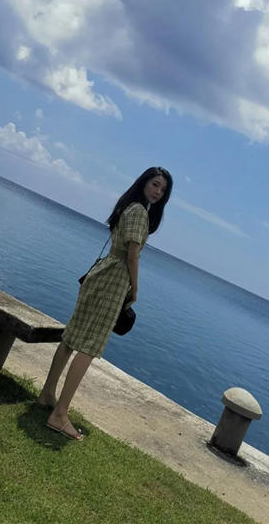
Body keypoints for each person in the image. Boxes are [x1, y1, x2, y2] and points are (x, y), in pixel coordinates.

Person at [37, 167, 173, 440]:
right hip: (113, 281)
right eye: (155, 184)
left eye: (163, 189)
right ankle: (60, 414)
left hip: (100, 274)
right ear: (144, 182)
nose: (158, 192)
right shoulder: (140, 212)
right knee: (89, 346)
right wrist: (135, 289)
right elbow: (132, 255)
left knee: (71, 338)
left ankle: (47, 395)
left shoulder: (127, 206)